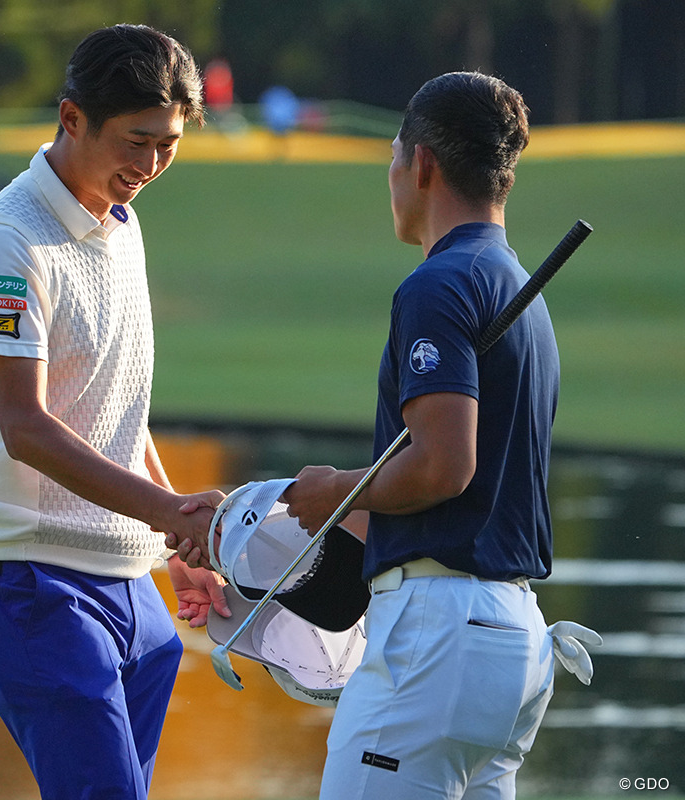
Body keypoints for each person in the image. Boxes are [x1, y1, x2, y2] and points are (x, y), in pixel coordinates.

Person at [273, 71, 596, 799]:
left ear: (421, 164)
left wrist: (333, 489)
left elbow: (445, 467)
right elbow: (459, 490)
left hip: (440, 639)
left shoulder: (438, 284)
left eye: (393, 156)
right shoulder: (515, 284)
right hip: (511, 640)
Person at [0, 24, 229, 800]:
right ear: (72, 119)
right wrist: (169, 508)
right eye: (137, 141)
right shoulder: (9, 242)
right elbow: (25, 426)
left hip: (132, 588)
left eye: (168, 144)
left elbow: (119, 415)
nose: (151, 164)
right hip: (37, 585)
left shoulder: (122, 226)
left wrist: (173, 537)